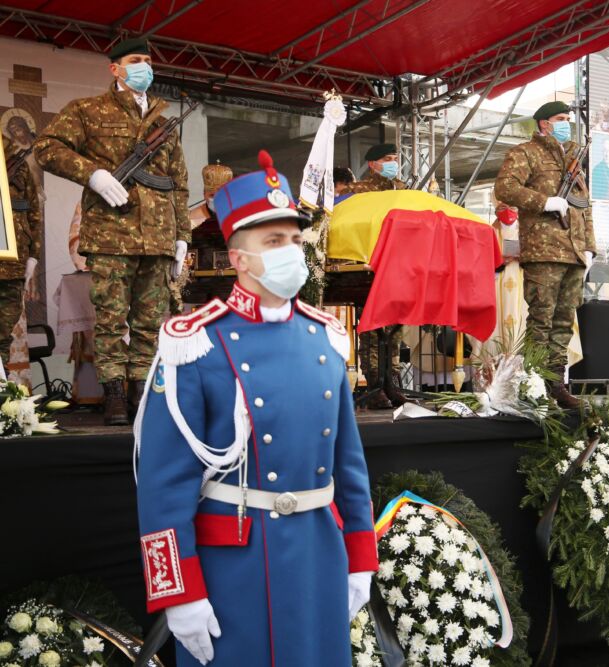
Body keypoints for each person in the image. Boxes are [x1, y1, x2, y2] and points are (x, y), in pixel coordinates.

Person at [134, 150, 377, 666]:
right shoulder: (195, 344)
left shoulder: (326, 336)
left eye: (294, 238)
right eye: (273, 241)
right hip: (235, 568)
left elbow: (349, 467)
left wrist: (360, 557)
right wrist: (179, 591)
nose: (291, 251)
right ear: (239, 258)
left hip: (317, 556)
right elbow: (163, 483)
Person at [34, 37, 190, 424]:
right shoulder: (87, 110)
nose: (145, 68)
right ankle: (114, 394)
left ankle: (141, 389)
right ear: (115, 68)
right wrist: (94, 175)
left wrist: (182, 235)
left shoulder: (162, 122)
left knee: (150, 323)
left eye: (149, 61)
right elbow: (47, 147)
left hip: (157, 238)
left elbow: (179, 182)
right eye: (136, 60)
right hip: (111, 236)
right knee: (109, 319)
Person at [494, 100, 596, 409]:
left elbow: (585, 204)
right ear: (544, 124)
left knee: (564, 323)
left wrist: (590, 246)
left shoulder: (574, 157)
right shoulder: (526, 152)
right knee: (541, 321)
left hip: (574, 251)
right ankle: (535, 387)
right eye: (560, 118)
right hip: (544, 250)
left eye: (568, 118)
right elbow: (505, 188)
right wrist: (544, 202)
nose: (566, 123)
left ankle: (556, 385)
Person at [345, 144, 407, 408]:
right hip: (368, 265)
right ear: (372, 164)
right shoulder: (357, 191)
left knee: (395, 328)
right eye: (386, 159)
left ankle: (392, 381)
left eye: (395, 158)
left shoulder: (403, 190)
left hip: (398, 263)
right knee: (372, 328)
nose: (393, 163)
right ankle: (373, 385)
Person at [0, 135, 42, 364]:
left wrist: (33, 257)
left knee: (4, 330)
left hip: (13, 262)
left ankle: (1, 384)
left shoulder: (18, 163)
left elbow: (34, 213)